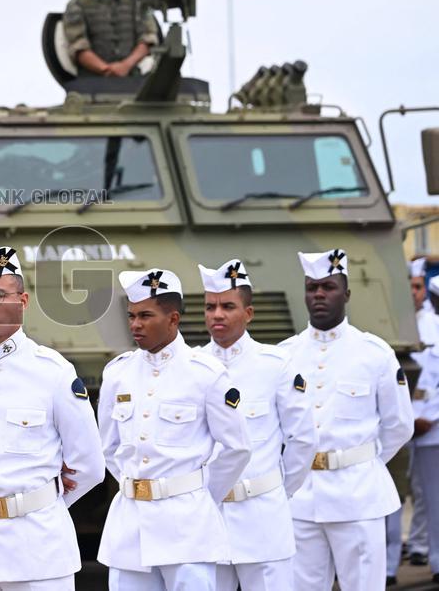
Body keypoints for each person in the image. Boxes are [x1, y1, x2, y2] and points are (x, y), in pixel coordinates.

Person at [0, 246, 104, 590]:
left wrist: (38, 501)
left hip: (38, 549)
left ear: (24, 301)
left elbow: (88, 466)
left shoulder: (53, 372)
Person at [97, 268, 250, 590]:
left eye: (146, 316)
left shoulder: (205, 374)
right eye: (132, 315)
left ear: (173, 319)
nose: (135, 324)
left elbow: (236, 448)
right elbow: (109, 448)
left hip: (187, 526)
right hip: (130, 527)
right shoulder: (118, 374)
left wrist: (196, 493)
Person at [279, 249, 414, 590]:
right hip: (301, 498)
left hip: (358, 496)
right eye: (312, 287)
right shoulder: (284, 355)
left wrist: (360, 463)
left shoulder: (374, 353)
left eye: (328, 286)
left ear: (347, 294)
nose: (319, 294)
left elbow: (399, 425)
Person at [198, 259, 316, 590]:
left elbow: (302, 441)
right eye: (210, 306)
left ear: (248, 314)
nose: (217, 314)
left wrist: (275, 490)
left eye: (227, 306)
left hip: (262, 517)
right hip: (210, 520)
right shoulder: (192, 367)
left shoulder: (275, 366)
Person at [411, 273, 439, 584]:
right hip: (400, 423)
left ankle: (435, 558)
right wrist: (409, 418)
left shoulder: (434, 327)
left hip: (431, 426)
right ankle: (390, 566)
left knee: (432, 496)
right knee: (394, 496)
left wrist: (427, 418)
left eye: (419, 287)